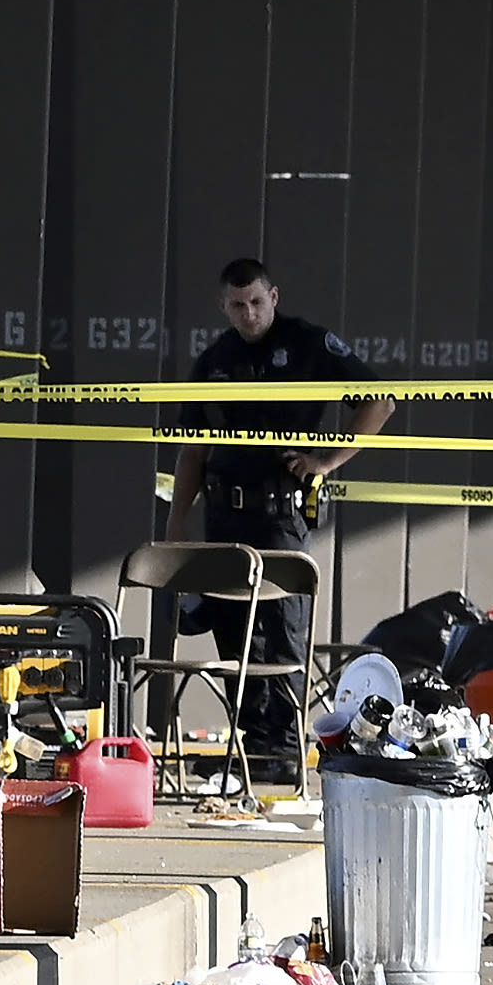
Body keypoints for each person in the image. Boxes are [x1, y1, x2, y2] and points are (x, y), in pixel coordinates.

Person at [165, 259, 396, 784]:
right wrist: (178, 521)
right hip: (223, 515)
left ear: (274, 295)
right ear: (223, 306)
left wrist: (328, 460)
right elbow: (192, 451)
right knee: (233, 637)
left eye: (257, 302)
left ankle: (286, 753)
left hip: (277, 514)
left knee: (280, 635)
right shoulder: (214, 361)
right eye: (237, 305)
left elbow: (379, 401)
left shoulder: (308, 343)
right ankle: (253, 751)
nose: (248, 314)